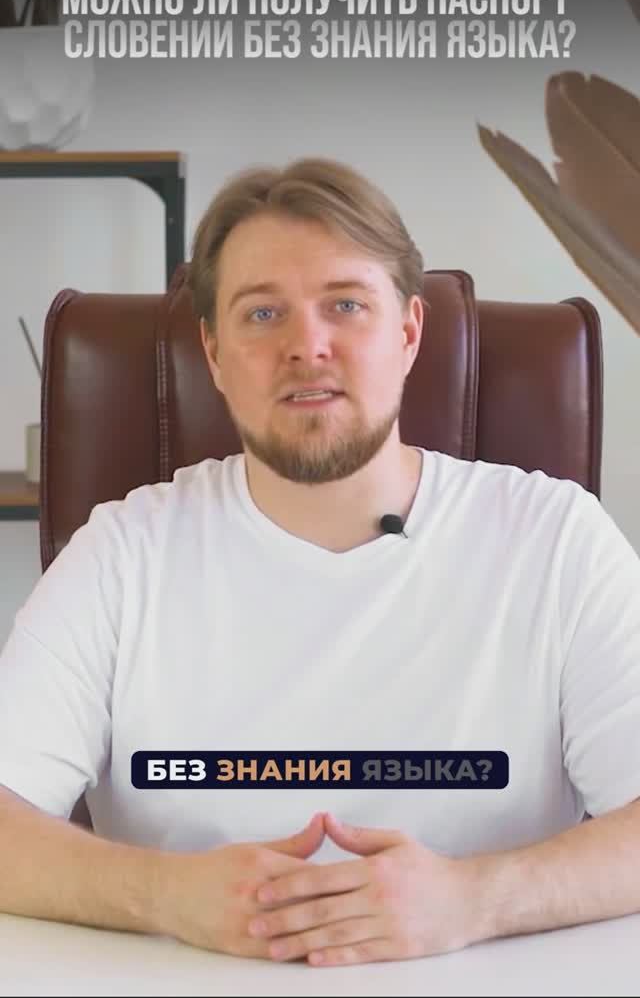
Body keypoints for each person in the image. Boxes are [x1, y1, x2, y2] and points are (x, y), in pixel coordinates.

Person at [0, 157, 639, 970]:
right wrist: (166, 893)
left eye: (346, 304)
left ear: (408, 332)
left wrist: (472, 900)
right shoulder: (122, 555)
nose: (307, 346)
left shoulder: (556, 541)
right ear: (214, 352)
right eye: (263, 313)